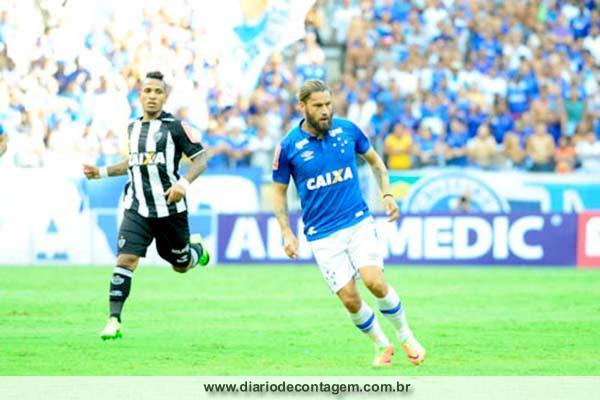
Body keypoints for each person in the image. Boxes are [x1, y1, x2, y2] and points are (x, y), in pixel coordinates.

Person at [272, 80, 425, 367]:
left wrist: (387, 194)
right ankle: (381, 345)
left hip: (357, 222)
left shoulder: (348, 130)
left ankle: (406, 336)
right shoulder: (288, 147)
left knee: (374, 281)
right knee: (350, 299)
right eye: (318, 106)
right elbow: (278, 192)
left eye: (328, 104)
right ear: (302, 107)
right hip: (321, 235)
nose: (325, 111)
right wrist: (286, 232)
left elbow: (376, 162)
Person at [83, 71, 210, 340]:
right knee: (126, 260)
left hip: (170, 210)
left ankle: (196, 251)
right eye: (147, 91)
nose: (152, 96)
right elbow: (133, 163)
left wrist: (183, 184)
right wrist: (101, 172)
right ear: (140, 95)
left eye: (158, 92)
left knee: (181, 265)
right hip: (137, 208)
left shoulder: (176, 127)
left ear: (165, 97)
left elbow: (200, 159)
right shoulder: (132, 128)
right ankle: (114, 320)